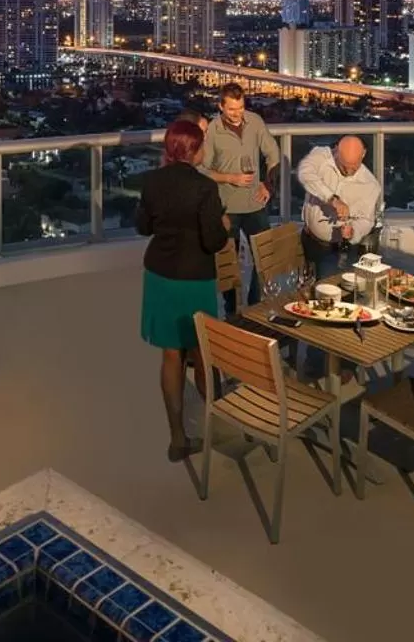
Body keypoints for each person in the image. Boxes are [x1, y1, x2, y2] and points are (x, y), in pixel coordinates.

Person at [137, 118, 231, 462]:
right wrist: (223, 225)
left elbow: (142, 226)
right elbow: (214, 241)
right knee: (203, 356)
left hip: (161, 275)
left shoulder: (152, 181)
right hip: (196, 278)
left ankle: (178, 437)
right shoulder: (205, 188)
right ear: (195, 150)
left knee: (171, 355)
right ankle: (214, 422)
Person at [198, 84, 280, 313]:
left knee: (265, 258)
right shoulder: (212, 131)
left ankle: (255, 307)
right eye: (232, 109)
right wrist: (229, 177)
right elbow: (202, 170)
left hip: (255, 204)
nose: (238, 113)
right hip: (226, 209)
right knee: (228, 266)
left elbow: (273, 155)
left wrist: (268, 185)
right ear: (220, 107)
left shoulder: (254, 121)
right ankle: (233, 312)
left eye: (241, 107)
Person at [298, 135, 382, 281]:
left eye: (353, 167)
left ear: (363, 154)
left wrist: (353, 231)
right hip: (307, 240)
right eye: (344, 166)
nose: (348, 172)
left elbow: (366, 220)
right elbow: (304, 174)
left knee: (326, 292)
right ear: (336, 151)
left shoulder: (371, 185)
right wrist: (332, 199)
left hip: (335, 251)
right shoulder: (321, 155)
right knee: (302, 290)